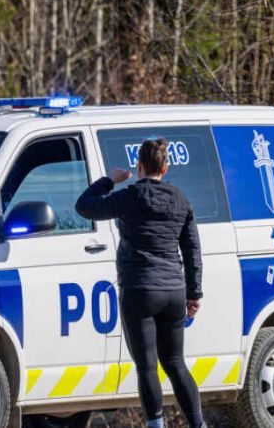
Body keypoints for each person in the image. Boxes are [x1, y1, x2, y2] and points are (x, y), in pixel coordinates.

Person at [75, 138, 205, 428]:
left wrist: (109, 180)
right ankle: (198, 424)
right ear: (166, 167)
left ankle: (156, 425)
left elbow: (84, 206)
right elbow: (192, 249)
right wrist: (194, 293)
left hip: (140, 289)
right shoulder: (181, 199)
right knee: (175, 363)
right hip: (173, 291)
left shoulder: (129, 197)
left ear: (139, 166)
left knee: (147, 365)